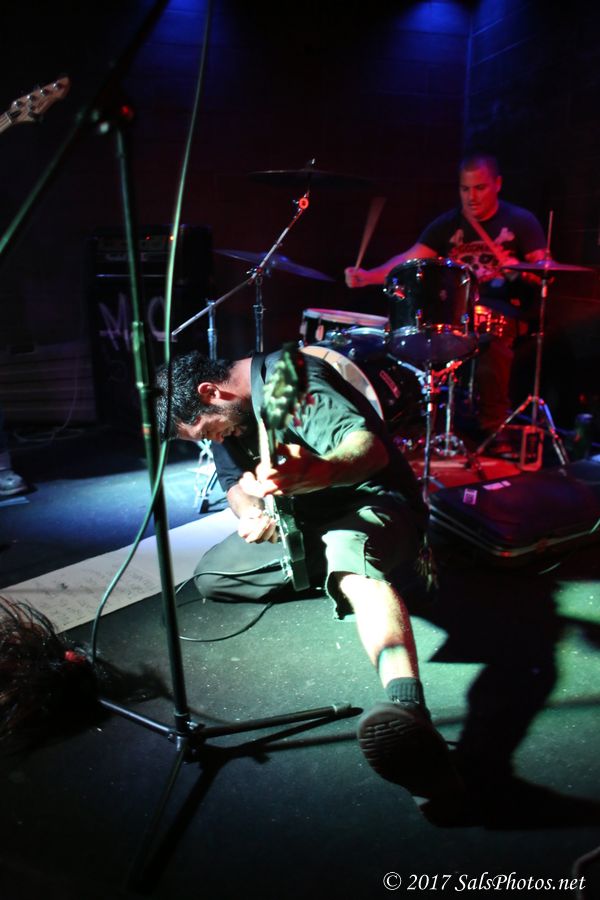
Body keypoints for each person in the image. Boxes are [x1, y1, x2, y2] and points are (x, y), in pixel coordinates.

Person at [156, 348, 462, 799]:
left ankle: (408, 709)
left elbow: (368, 448)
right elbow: (234, 486)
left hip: (368, 504)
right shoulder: (230, 414)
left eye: (207, 430)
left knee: (349, 562)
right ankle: (347, 576)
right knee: (214, 577)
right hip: (304, 523)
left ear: (210, 392)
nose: (215, 440)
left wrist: (322, 471)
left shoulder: (288, 380)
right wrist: (251, 511)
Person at [345, 154, 548, 443]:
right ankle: (414, 422)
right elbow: (409, 259)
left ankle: (493, 430)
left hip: (501, 313)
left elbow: (544, 272)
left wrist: (518, 272)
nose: (471, 197)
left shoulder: (520, 221)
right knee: (409, 337)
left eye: (480, 188)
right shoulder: (448, 223)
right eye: (465, 189)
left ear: (498, 184)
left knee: (492, 350)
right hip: (454, 315)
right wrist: (368, 276)